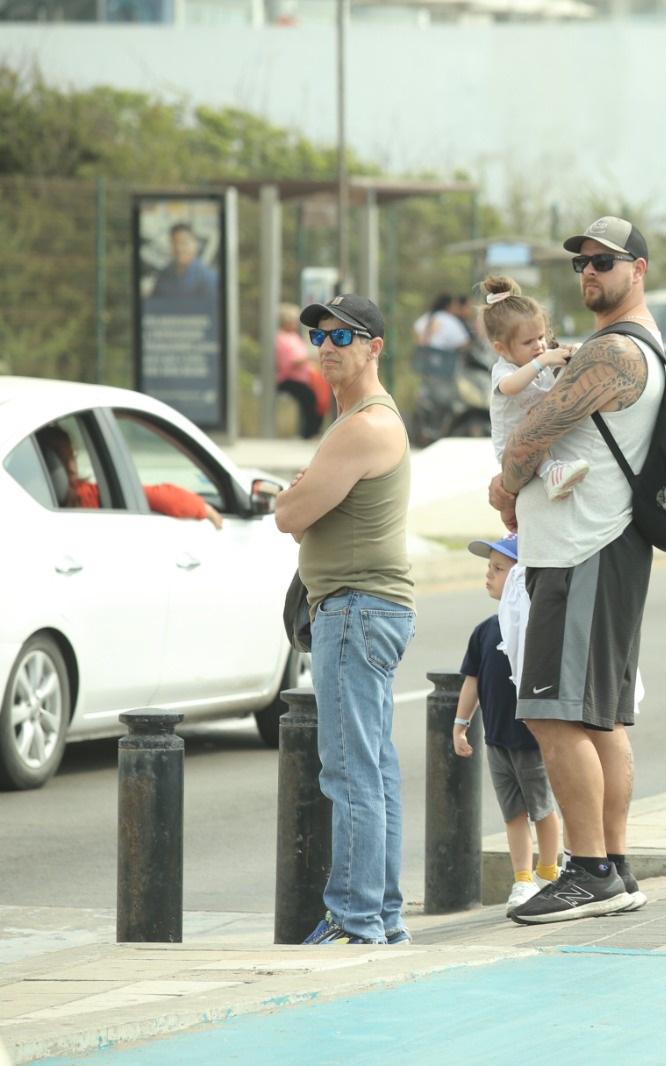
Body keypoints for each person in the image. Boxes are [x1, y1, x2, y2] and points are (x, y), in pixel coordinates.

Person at [485, 215, 661, 924]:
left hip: (580, 549)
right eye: (582, 263)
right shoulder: (621, 347)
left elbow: (534, 430)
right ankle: (613, 866)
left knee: (550, 713)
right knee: (601, 719)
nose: (590, 272)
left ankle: (588, 871)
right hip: (601, 546)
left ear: (637, 270)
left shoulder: (614, 352)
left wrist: (505, 486)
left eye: (605, 262)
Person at [273, 293, 415, 947]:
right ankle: (381, 917)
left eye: (343, 336)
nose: (327, 347)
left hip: (355, 610)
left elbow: (290, 514)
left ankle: (356, 922)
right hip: (366, 610)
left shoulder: (363, 426)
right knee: (374, 767)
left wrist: (297, 492)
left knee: (351, 771)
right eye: (319, 337)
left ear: (375, 347)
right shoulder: (360, 423)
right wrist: (303, 489)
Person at [452, 533, 565, 914]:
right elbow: (473, 680)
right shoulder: (485, 630)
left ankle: (550, 871)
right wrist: (460, 722)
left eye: (499, 569)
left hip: (532, 739)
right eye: (489, 568)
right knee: (513, 813)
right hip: (498, 740)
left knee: (542, 808)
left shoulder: (535, 624)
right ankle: (522, 880)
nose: (489, 575)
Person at [479, 275, 588, 500]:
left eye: (541, 337)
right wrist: (542, 361)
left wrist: (571, 354)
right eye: (528, 342)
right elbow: (510, 387)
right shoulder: (504, 370)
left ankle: (553, 471)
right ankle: (551, 474)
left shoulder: (540, 362)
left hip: (538, 433)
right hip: (513, 447)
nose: (539, 345)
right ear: (501, 348)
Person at [36, 424, 222, 528]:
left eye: (72, 455)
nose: (70, 463)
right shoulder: (87, 498)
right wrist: (202, 507)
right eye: (66, 456)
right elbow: (159, 496)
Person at [275, 303, 330, 440]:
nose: (295, 324)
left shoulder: (294, 337)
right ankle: (309, 433)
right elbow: (288, 363)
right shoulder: (281, 338)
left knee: (319, 395)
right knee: (309, 398)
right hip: (289, 379)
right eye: (293, 321)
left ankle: (314, 431)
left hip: (304, 378)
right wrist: (307, 358)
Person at [148, 222, 219, 308]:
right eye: (174, 243)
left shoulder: (209, 278)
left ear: (195, 244)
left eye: (184, 243)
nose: (179, 248)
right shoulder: (164, 275)